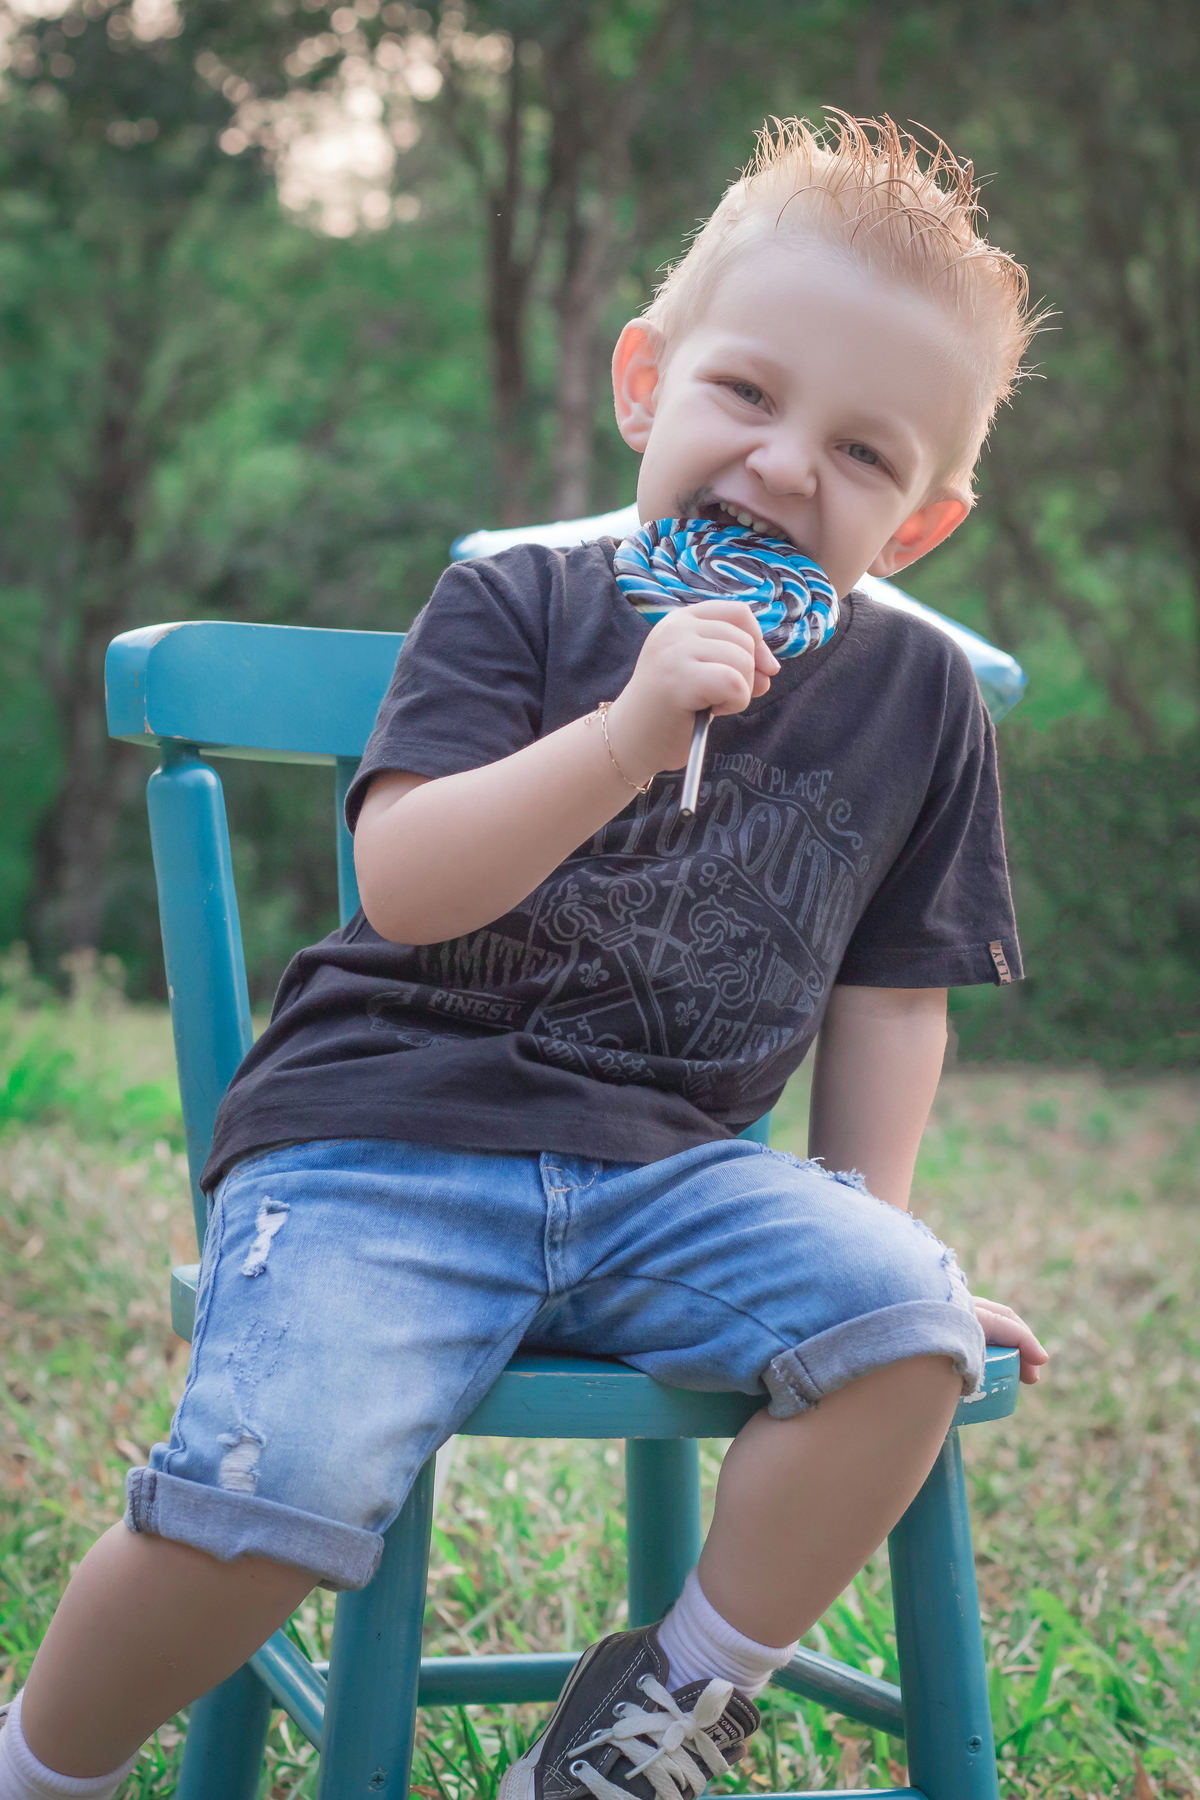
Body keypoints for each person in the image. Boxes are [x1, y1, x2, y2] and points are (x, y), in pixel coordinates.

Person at [2, 112, 1049, 1800]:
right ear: (647, 385)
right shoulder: (520, 605)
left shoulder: (919, 700)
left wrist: (870, 1236)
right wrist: (630, 733)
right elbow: (407, 883)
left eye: (864, 454)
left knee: (907, 1324)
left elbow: (893, 994)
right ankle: (42, 1769)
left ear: (918, 526)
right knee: (278, 1481)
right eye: (747, 394)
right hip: (380, 1146)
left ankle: (669, 1709)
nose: (788, 467)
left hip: (672, 1179)